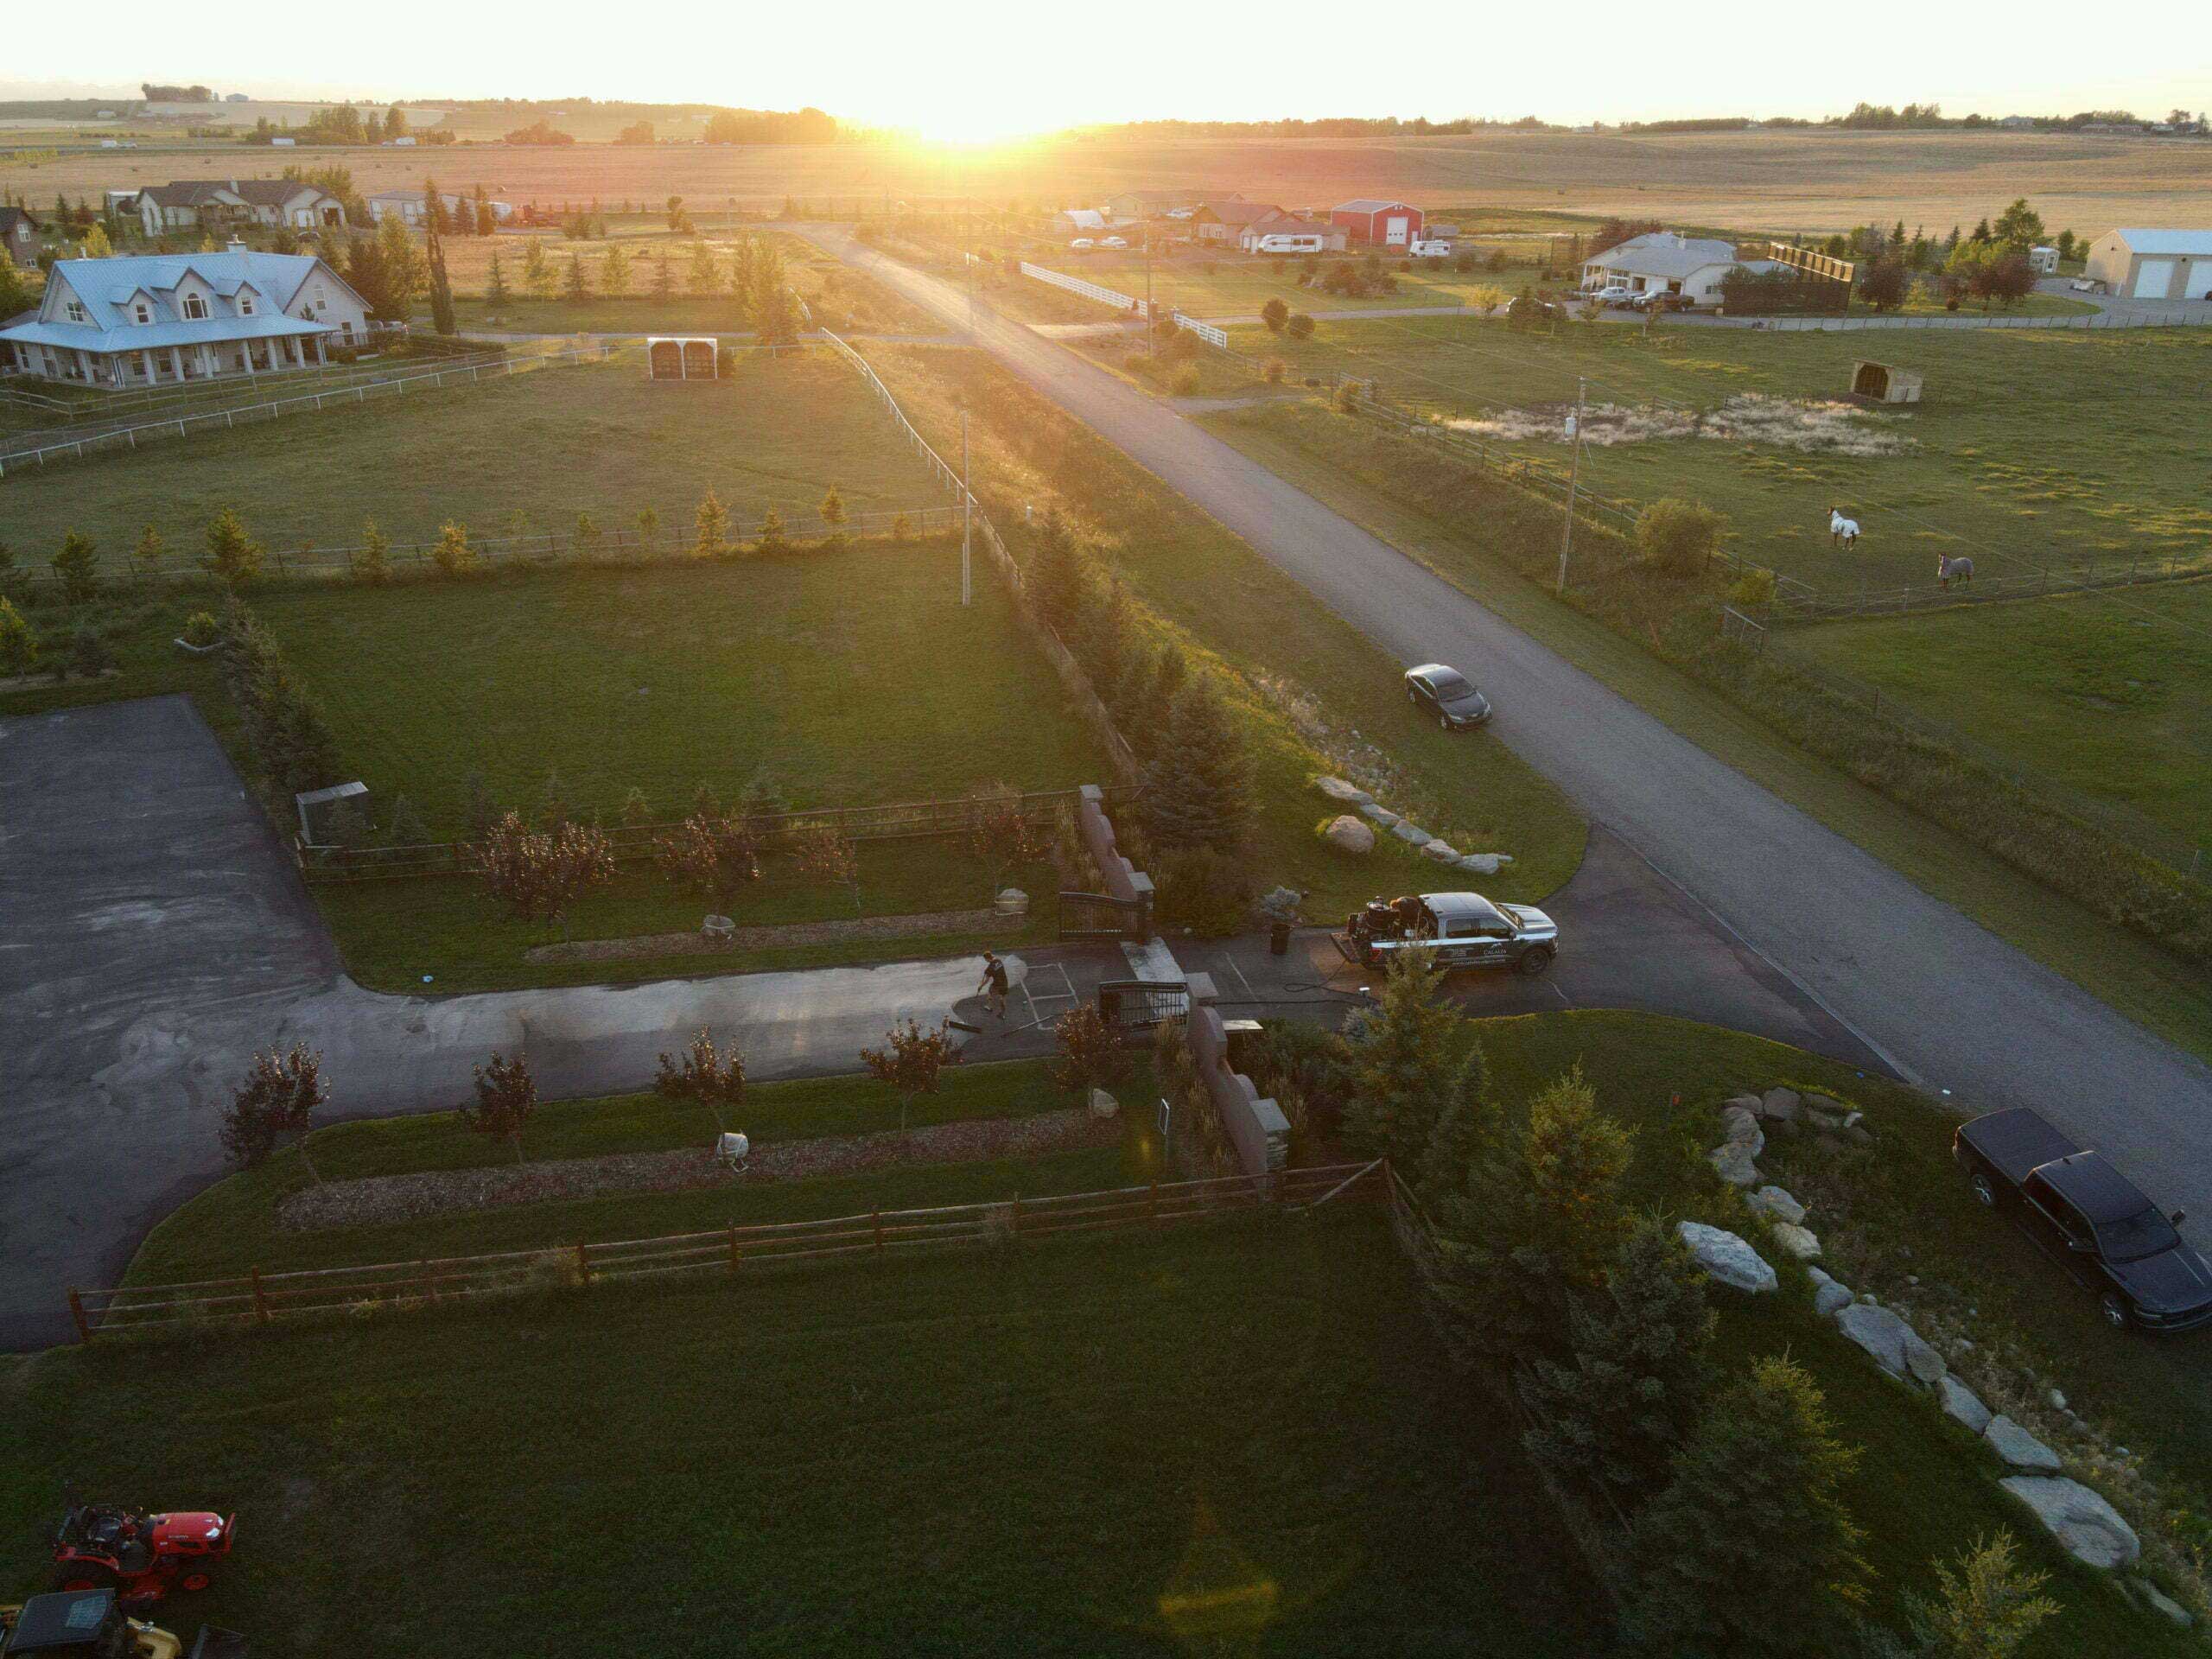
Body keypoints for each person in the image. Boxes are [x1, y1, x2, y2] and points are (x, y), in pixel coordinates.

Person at [977, 950, 1011, 1020]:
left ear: (987, 958)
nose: (985, 960)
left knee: (990, 992)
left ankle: (989, 1007)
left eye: (985, 959)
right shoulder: (999, 961)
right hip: (1004, 982)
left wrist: (980, 986)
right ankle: (1002, 1014)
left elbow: (986, 980)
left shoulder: (989, 969)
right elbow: (994, 963)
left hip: (996, 984)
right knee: (1002, 998)